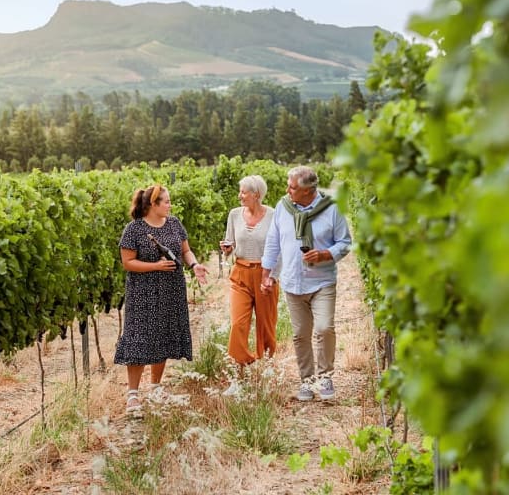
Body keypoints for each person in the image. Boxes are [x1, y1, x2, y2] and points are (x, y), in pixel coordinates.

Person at [114, 183, 208, 415]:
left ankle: (156, 387)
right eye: (165, 201)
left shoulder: (174, 223)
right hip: (143, 293)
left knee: (163, 336)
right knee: (139, 338)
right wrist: (155, 266)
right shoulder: (134, 229)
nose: (169, 205)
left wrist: (194, 265)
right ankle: (133, 395)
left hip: (171, 290)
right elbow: (128, 262)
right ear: (152, 205)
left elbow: (186, 251)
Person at [261, 166, 351, 402]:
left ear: (308, 191)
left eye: (292, 187)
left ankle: (325, 376)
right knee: (301, 335)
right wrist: (266, 274)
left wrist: (324, 254)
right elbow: (273, 242)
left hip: (322, 281)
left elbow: (345, 242)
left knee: (324, 329)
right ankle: (307, 381)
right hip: (293, 281)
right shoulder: (283, 207)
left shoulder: (331, 209)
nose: (287, 190)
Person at [219, 175, 279, 396]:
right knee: (238, 323)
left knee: (266, 324)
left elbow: (279, 248)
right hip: (241, 274)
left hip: (265, 274)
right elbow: (231, 244)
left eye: (243, 192)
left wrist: (271, 277)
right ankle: (237, 374)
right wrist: (227, 249)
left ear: (256, 194)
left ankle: (268, 369)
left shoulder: (273, 215)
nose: (239, 195)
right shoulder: (234, 215)